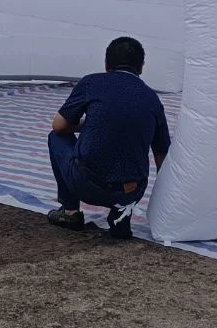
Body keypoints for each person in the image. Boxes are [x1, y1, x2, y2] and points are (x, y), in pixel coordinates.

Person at [46, 36, 170, 240]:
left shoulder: (91, 83)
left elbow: (58, 125)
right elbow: (161, 156)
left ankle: (70, 212)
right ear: (141, 67)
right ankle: (121, 211)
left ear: (106, 64)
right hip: (131, 191)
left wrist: (87, 125)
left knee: (56, 138)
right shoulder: (152, 99)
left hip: (87, 184)